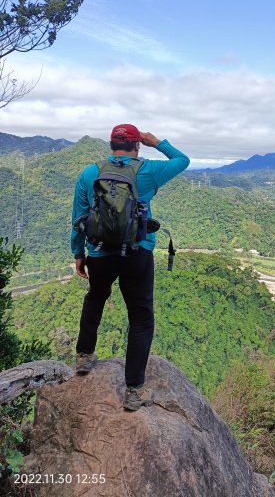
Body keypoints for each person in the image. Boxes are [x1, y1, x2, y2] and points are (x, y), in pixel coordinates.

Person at [71, 124, 189, 410]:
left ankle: (84, 358)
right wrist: (157, 141)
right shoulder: (146, 171)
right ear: (137, 145)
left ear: (112, 145)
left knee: (96, 297)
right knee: (140, 318)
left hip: (99, 254)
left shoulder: (90, 173)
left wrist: (78, 253)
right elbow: (182, 161)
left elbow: (79, 216)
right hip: (137, 253)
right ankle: (133, 392)